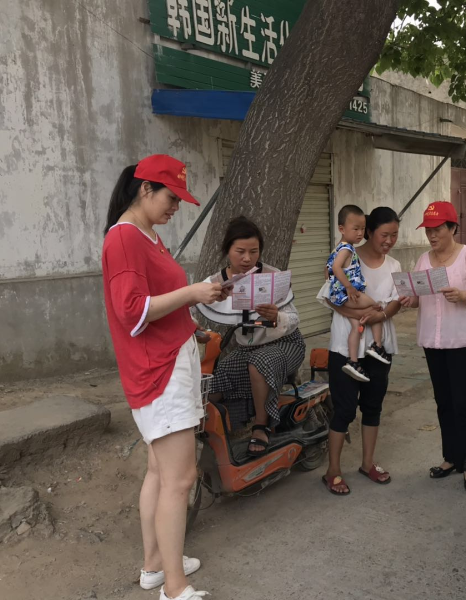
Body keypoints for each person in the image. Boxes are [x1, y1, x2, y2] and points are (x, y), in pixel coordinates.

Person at [101, 155, 226, 600]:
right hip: (158, 371)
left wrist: (190, 322)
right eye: (172, 198)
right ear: (145, 189)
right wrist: (192, 293)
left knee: (160, 471)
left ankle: (156, 566)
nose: (176, 207)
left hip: (169, 360)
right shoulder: (125, 238)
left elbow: (157, 303)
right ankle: (175, 588)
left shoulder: (146, 236)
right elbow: (132, 312)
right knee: (180, 477)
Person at [399, 201, 466, 493]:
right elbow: (418, 298)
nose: (432, 235)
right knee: (443, 401)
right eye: (428, 230)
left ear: (453, 228)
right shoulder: (423, 260)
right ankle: (451, 457)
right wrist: (409, 300)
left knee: (462, 402)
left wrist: (464, 295)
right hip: (433, 340)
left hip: (461, 339)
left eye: (437, 229)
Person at [195, 216, 306, 458]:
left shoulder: (273, 277)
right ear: (228, 250)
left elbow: (294, 318)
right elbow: (195, 307)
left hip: (285, 343)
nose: (247, 258)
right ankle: (213, 427)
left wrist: (277, 316)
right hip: (246, 349)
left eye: (253, 252)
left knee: (260, 363)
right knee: (213, 384)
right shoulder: (215, 283)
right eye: (240, 251)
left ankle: (261, 425)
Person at [318, 207, 402, 495]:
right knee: (343, 409)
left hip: (380, 347)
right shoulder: (346, 257)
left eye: (394, 235)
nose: (389, 240)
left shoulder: (394, 265)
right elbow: (329, 297)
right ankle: (333, 470)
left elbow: (396, 302)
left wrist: (381, 315)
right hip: (346, 346)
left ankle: (367, 464)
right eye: (384, 234)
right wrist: (364, 314)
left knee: (373, 406)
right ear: (369, 232)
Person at [326, 205, 390, 382]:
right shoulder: (346, 248)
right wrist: (348, 287)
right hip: (348, 294)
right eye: (355, 229)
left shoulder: (337, 248)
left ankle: (352, 361)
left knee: (356, 327)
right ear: (341, 229)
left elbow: (329, 271)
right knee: (376, 308)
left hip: (339, 295)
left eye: (362, 228)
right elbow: (336, 268)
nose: (360, 233)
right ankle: (377, 346)